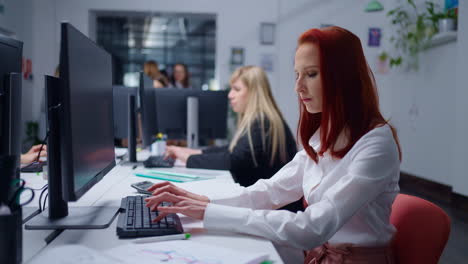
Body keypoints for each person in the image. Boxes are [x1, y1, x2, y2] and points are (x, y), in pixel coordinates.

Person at [146, 26, 402, 263]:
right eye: (297, 75)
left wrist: (208, 212)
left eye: (311, 74)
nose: (298, 87)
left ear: (344, 77)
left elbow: (312, 228)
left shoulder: (376, 144)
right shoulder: (323, 137)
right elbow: (269, 192)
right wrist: (200, 200)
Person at [165, 66, 298, 189]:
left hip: (272, 209)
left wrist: (187, 158)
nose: (230, 95)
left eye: (237, 89)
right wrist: (188, 152)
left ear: (254, 93)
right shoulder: (261, 120)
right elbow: (232, 151)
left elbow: (234, 161)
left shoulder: (263, 124)